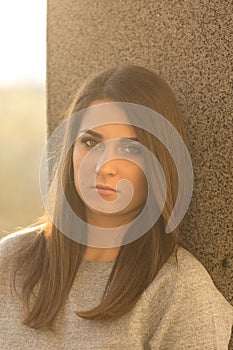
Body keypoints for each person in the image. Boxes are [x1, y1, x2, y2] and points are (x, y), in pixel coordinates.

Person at [0, 64, 232, 349]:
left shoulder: (179, 291)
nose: (104, 167)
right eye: (90, 142)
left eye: (131, 149)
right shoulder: (9, 262)